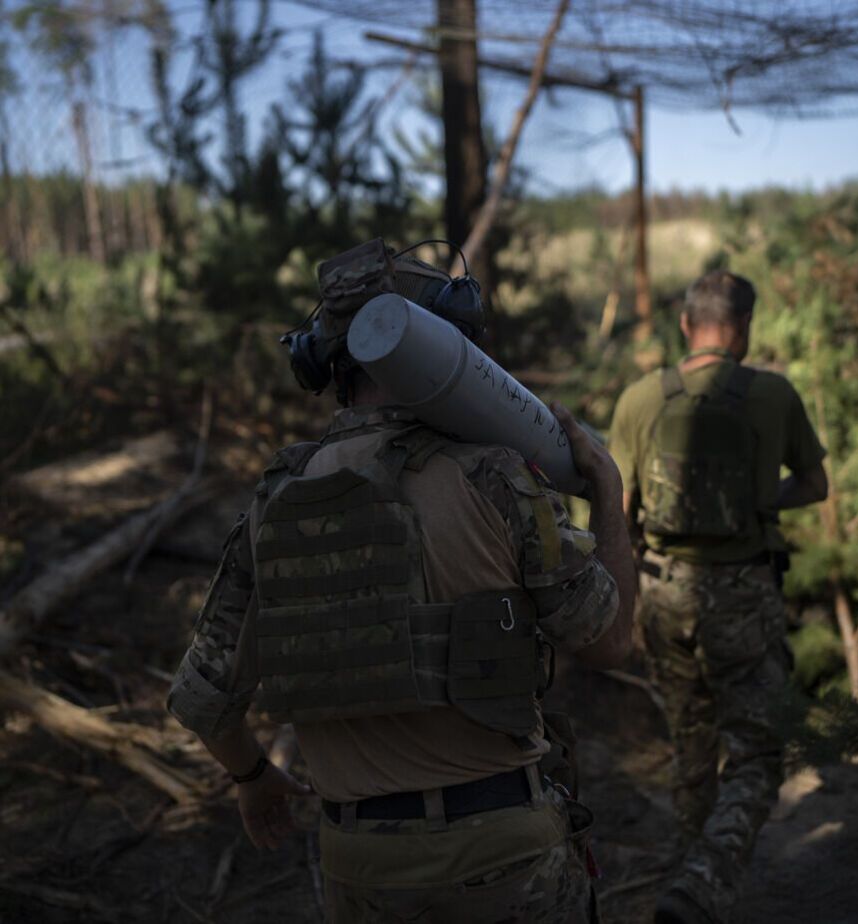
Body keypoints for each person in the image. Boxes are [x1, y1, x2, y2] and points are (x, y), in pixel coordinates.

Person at [166, 239, 637, 922]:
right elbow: (610, 640)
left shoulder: (276, 500)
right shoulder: (497, 479)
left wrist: (254, 777)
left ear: (328, 364)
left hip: (360, 869)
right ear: (446, 351)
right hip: (504, 858)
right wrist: (610, 497)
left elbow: (203, 700)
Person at [608, 270, 828, 924]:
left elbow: (618, 511)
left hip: (663, 593)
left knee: (690, 741)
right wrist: (760, 502)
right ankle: (703, 882)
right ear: (744, 327)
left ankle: (687, 869)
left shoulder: (639, 399)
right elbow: (814, 484)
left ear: (686, 324)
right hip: (742, 596)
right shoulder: (773, 394)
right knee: (758, 752)